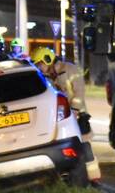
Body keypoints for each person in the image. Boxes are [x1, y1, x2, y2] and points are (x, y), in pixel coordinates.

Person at [31, 46, 101, 183]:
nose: (39, 67)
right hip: (62, 118)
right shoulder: (45, 77)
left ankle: (94, 178)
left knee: (85, 146)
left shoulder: (70, 69)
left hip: (79, 115)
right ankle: (75, 179)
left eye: (40, 63)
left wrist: (74, 111)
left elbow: (79, 92)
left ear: (47, 59)